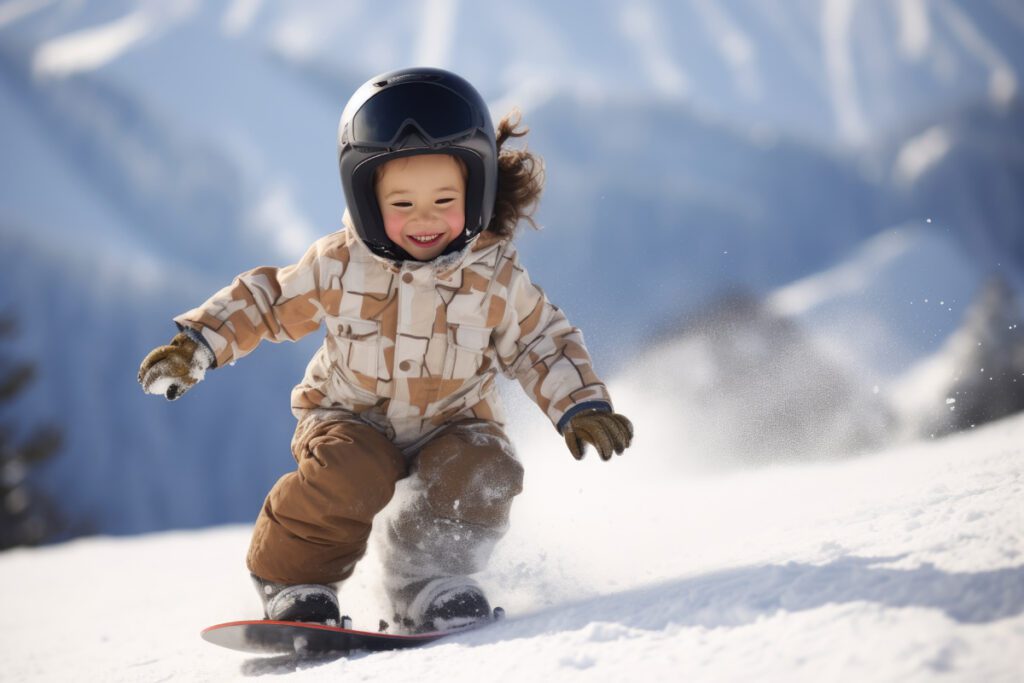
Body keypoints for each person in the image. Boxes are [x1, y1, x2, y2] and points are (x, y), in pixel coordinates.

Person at [137, 67, 633, 632]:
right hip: (350, 416)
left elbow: (541, 340)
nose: (425, 219)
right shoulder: (340, 265)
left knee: (485, 469)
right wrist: (196, 344)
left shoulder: (495, 276)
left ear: (476, 194)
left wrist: (581, 405)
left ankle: (429, 578)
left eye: (444, 199)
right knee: (348, 474)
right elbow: (268, 302)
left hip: (456, 420)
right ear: (367, 200)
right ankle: (294, 579)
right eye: (402, 203)